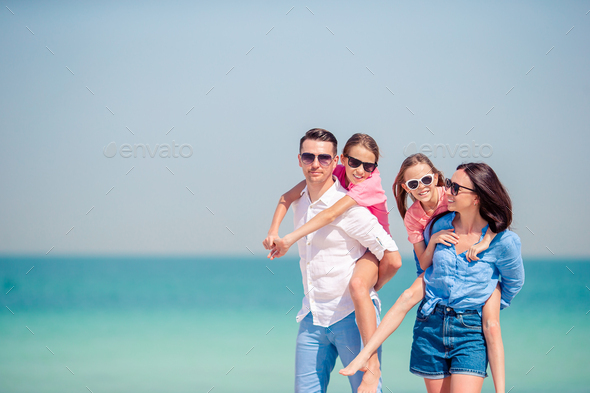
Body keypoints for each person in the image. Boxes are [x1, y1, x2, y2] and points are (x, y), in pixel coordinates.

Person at [341, 162, 524, 393]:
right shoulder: (438, 225)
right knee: (406, 297)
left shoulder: (503, 241)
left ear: (476, 197)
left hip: (470, 332)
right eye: (449, 184)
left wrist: (490, 295)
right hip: (431, 324)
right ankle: (366, 357)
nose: (447, 190)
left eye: (455, 188)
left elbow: (513, 283)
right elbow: (426, 266)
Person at [269, 128, 402, 393]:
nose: (316, 164)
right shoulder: (301, 200)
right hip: (312, 316)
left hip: (351, 317)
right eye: (308, 157)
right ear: (299, 160)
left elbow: (393, 257)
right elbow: (284, 198)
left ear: (334, 160)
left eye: (323, 158)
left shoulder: (352, 207)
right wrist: (273, 232)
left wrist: (371, 287)